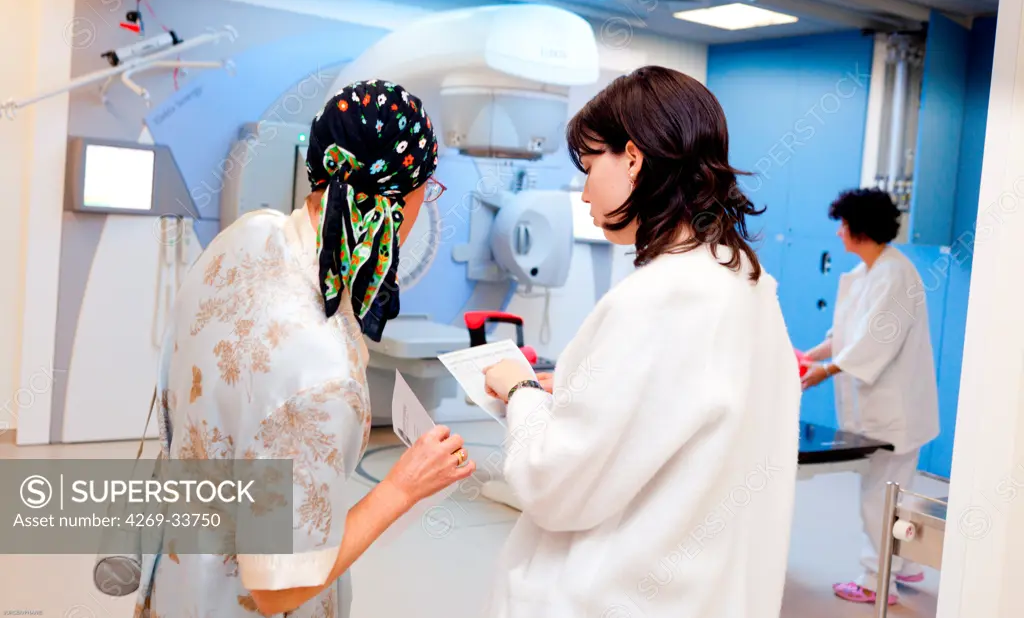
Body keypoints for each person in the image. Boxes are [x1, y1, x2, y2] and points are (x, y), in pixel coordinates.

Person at [133, 80, 477, 618]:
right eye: (425, 191)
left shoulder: (246, 235)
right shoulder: (320, 374)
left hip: (177, 574)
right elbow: (278, 588)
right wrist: (403, 487)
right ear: (401, 196)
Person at [481, 65, 802, 618]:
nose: (583, 193)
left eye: (588, 167)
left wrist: (521, 392)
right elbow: (671, 419)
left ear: (632, 157)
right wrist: (578, 392)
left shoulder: (659, 299)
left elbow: (553, 482)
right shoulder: (745, 283)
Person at [801, 187, 940, 606]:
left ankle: (875, 580)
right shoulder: (866, 273)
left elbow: (873, 343)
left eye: (844, 225)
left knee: (880, 497)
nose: (839, 233)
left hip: (895, 412)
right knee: (888, 489)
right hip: (879, 410)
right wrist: (811, 356)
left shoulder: (895, 275)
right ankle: (906, 565)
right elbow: (845, 335)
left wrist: (823, 372)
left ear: (861, 228)